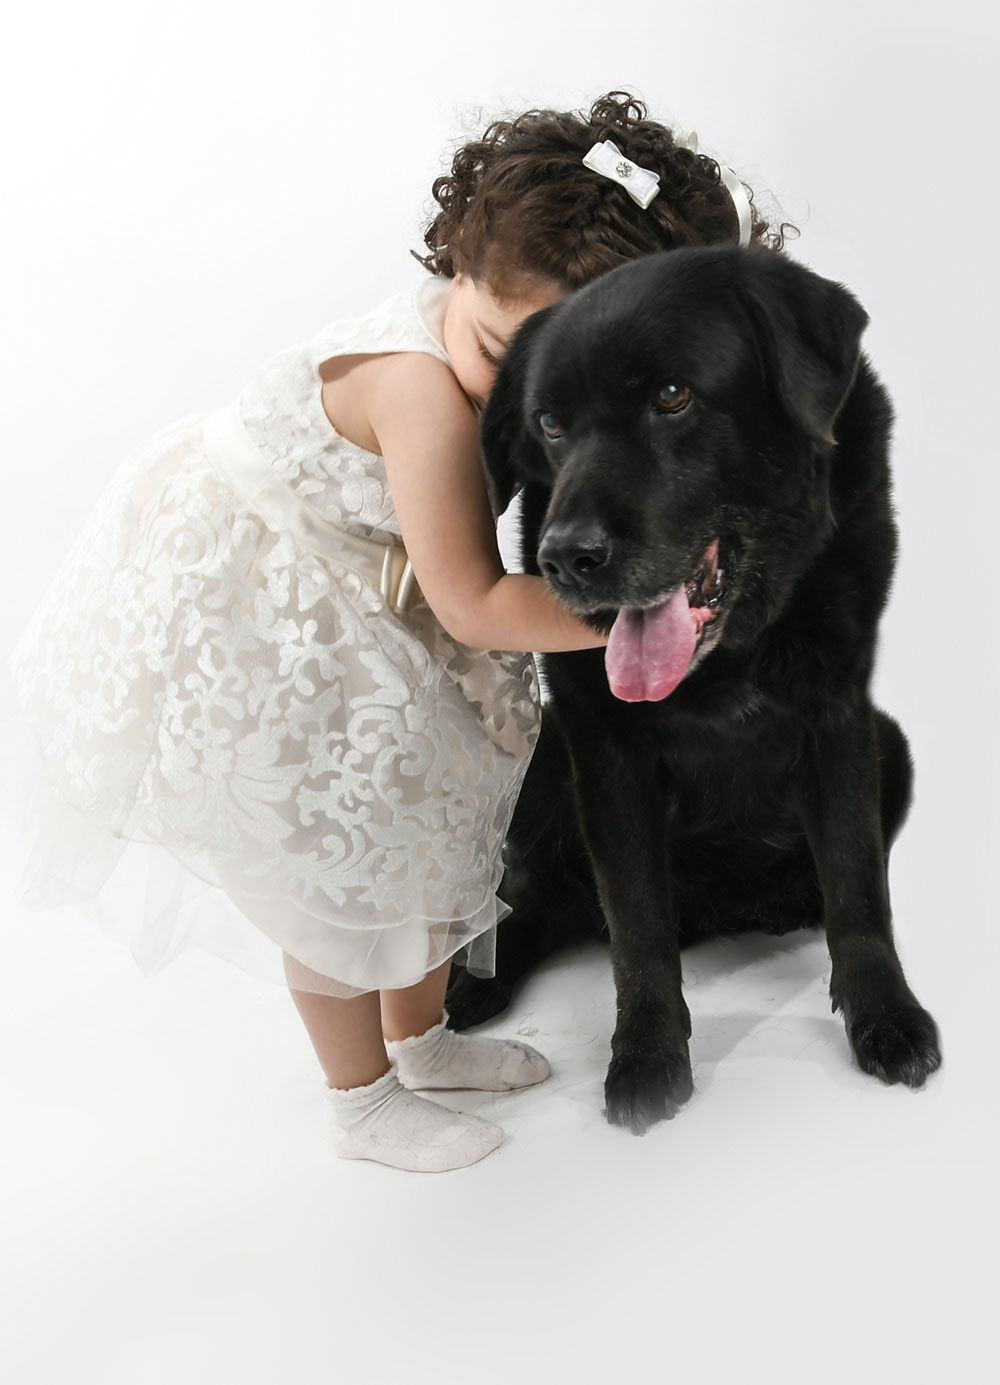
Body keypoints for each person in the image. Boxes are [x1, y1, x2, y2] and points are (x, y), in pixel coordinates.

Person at [10, 93, 787, 1172]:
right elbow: (469, 598)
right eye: (498, 350)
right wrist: (659, 611)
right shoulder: (423, 392)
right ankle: (359, 1099)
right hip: (292, 603)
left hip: (393, 589)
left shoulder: (499, 339)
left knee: (435, 838)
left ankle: (418, 1039)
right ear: (457, 265)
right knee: (340, 865)